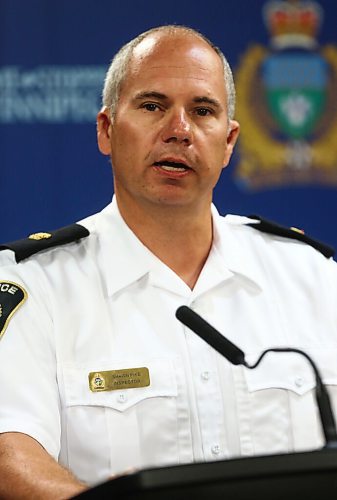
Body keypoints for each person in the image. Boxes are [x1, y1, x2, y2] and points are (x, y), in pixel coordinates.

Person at [0, 24, 336, 499]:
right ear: (107, 129)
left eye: (202, 111)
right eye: (153, 106)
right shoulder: (35, 288)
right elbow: (10, 455)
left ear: (229, 142)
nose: (179, 131)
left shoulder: (314, 277)